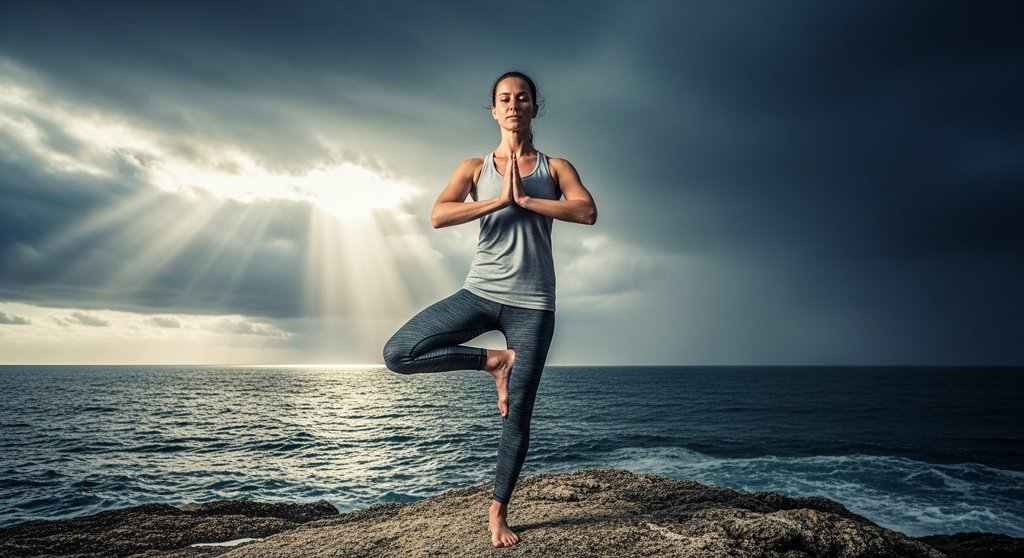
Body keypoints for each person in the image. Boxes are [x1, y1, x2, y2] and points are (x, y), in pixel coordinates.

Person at [382, 70, 597, 548]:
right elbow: (439, 214)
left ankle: (498, 513)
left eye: (523, 98)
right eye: (505, 98)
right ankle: (492, 362)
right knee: (398, 354)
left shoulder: (556, 168)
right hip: (479, 292)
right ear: (494, 109)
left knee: (517, 416)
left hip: (533, 305)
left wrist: (527, 200)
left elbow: (586, 211)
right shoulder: (475, 167)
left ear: (534, 108)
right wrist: (497, 201)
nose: (514, 104)